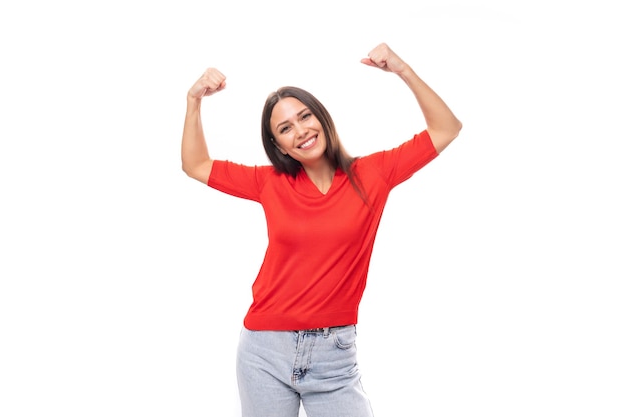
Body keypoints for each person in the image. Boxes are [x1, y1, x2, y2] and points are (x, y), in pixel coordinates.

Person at [181, 42, 462, 417]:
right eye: (285, 128)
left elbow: (446, 129)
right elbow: (196, 164)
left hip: (334, 358)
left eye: (305, 116)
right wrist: (193, 99)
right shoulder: (269, 184)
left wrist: (402, 69)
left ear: (322, 117)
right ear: (279, 145)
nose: (300, 130)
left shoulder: (372, 175)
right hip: (264, 351)